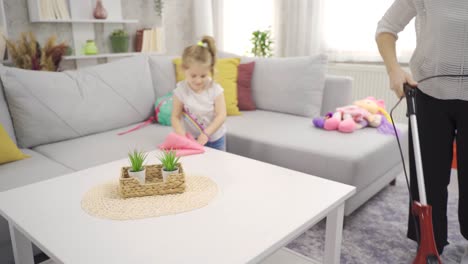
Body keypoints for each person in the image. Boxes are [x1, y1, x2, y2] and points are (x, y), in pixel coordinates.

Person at [376, 0, 468, 261]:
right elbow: (386, 27)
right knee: (427, 180)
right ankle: (430, 244)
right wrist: (394, 70)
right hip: (428, 93)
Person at [171, 36, 227, 151]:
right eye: (193, 76)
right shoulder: (181, 90)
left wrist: (206, 134)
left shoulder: (215, 89)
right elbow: (175, 117)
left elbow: (221, 115)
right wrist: (182, 136)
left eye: (203, 76)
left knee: (218, 167)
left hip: (215, 139)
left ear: (209, 70)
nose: (198, 80)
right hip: (192, 140)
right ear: (183, 69)